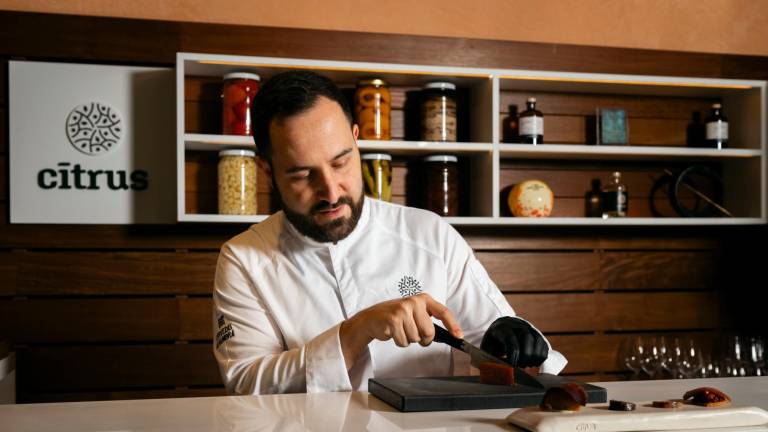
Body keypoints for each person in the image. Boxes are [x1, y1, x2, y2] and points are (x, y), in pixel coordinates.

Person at [212, 70, 566, 394]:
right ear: (265, 168)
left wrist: (512, 342)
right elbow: (246, 385)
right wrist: (356, 331)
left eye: (341, 161)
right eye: (302, 174)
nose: (332, 191)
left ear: (356, 139)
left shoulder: (429, 234)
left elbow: (504, 348)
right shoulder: (243, 259)